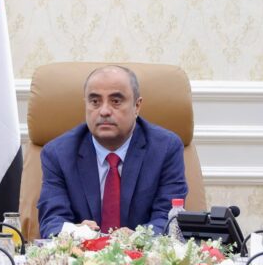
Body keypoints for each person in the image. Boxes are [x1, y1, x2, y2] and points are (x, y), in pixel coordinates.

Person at [37, 65, 188, 237]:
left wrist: (137, 239)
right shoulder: (58, 154)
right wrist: (75, 232)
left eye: (116, 101)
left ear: (137, 106)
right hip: (81, 252)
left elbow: (168, 219)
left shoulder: (165, 148)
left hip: (143, 252)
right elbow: (52, 221)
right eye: (95, 102)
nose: (104, 111)